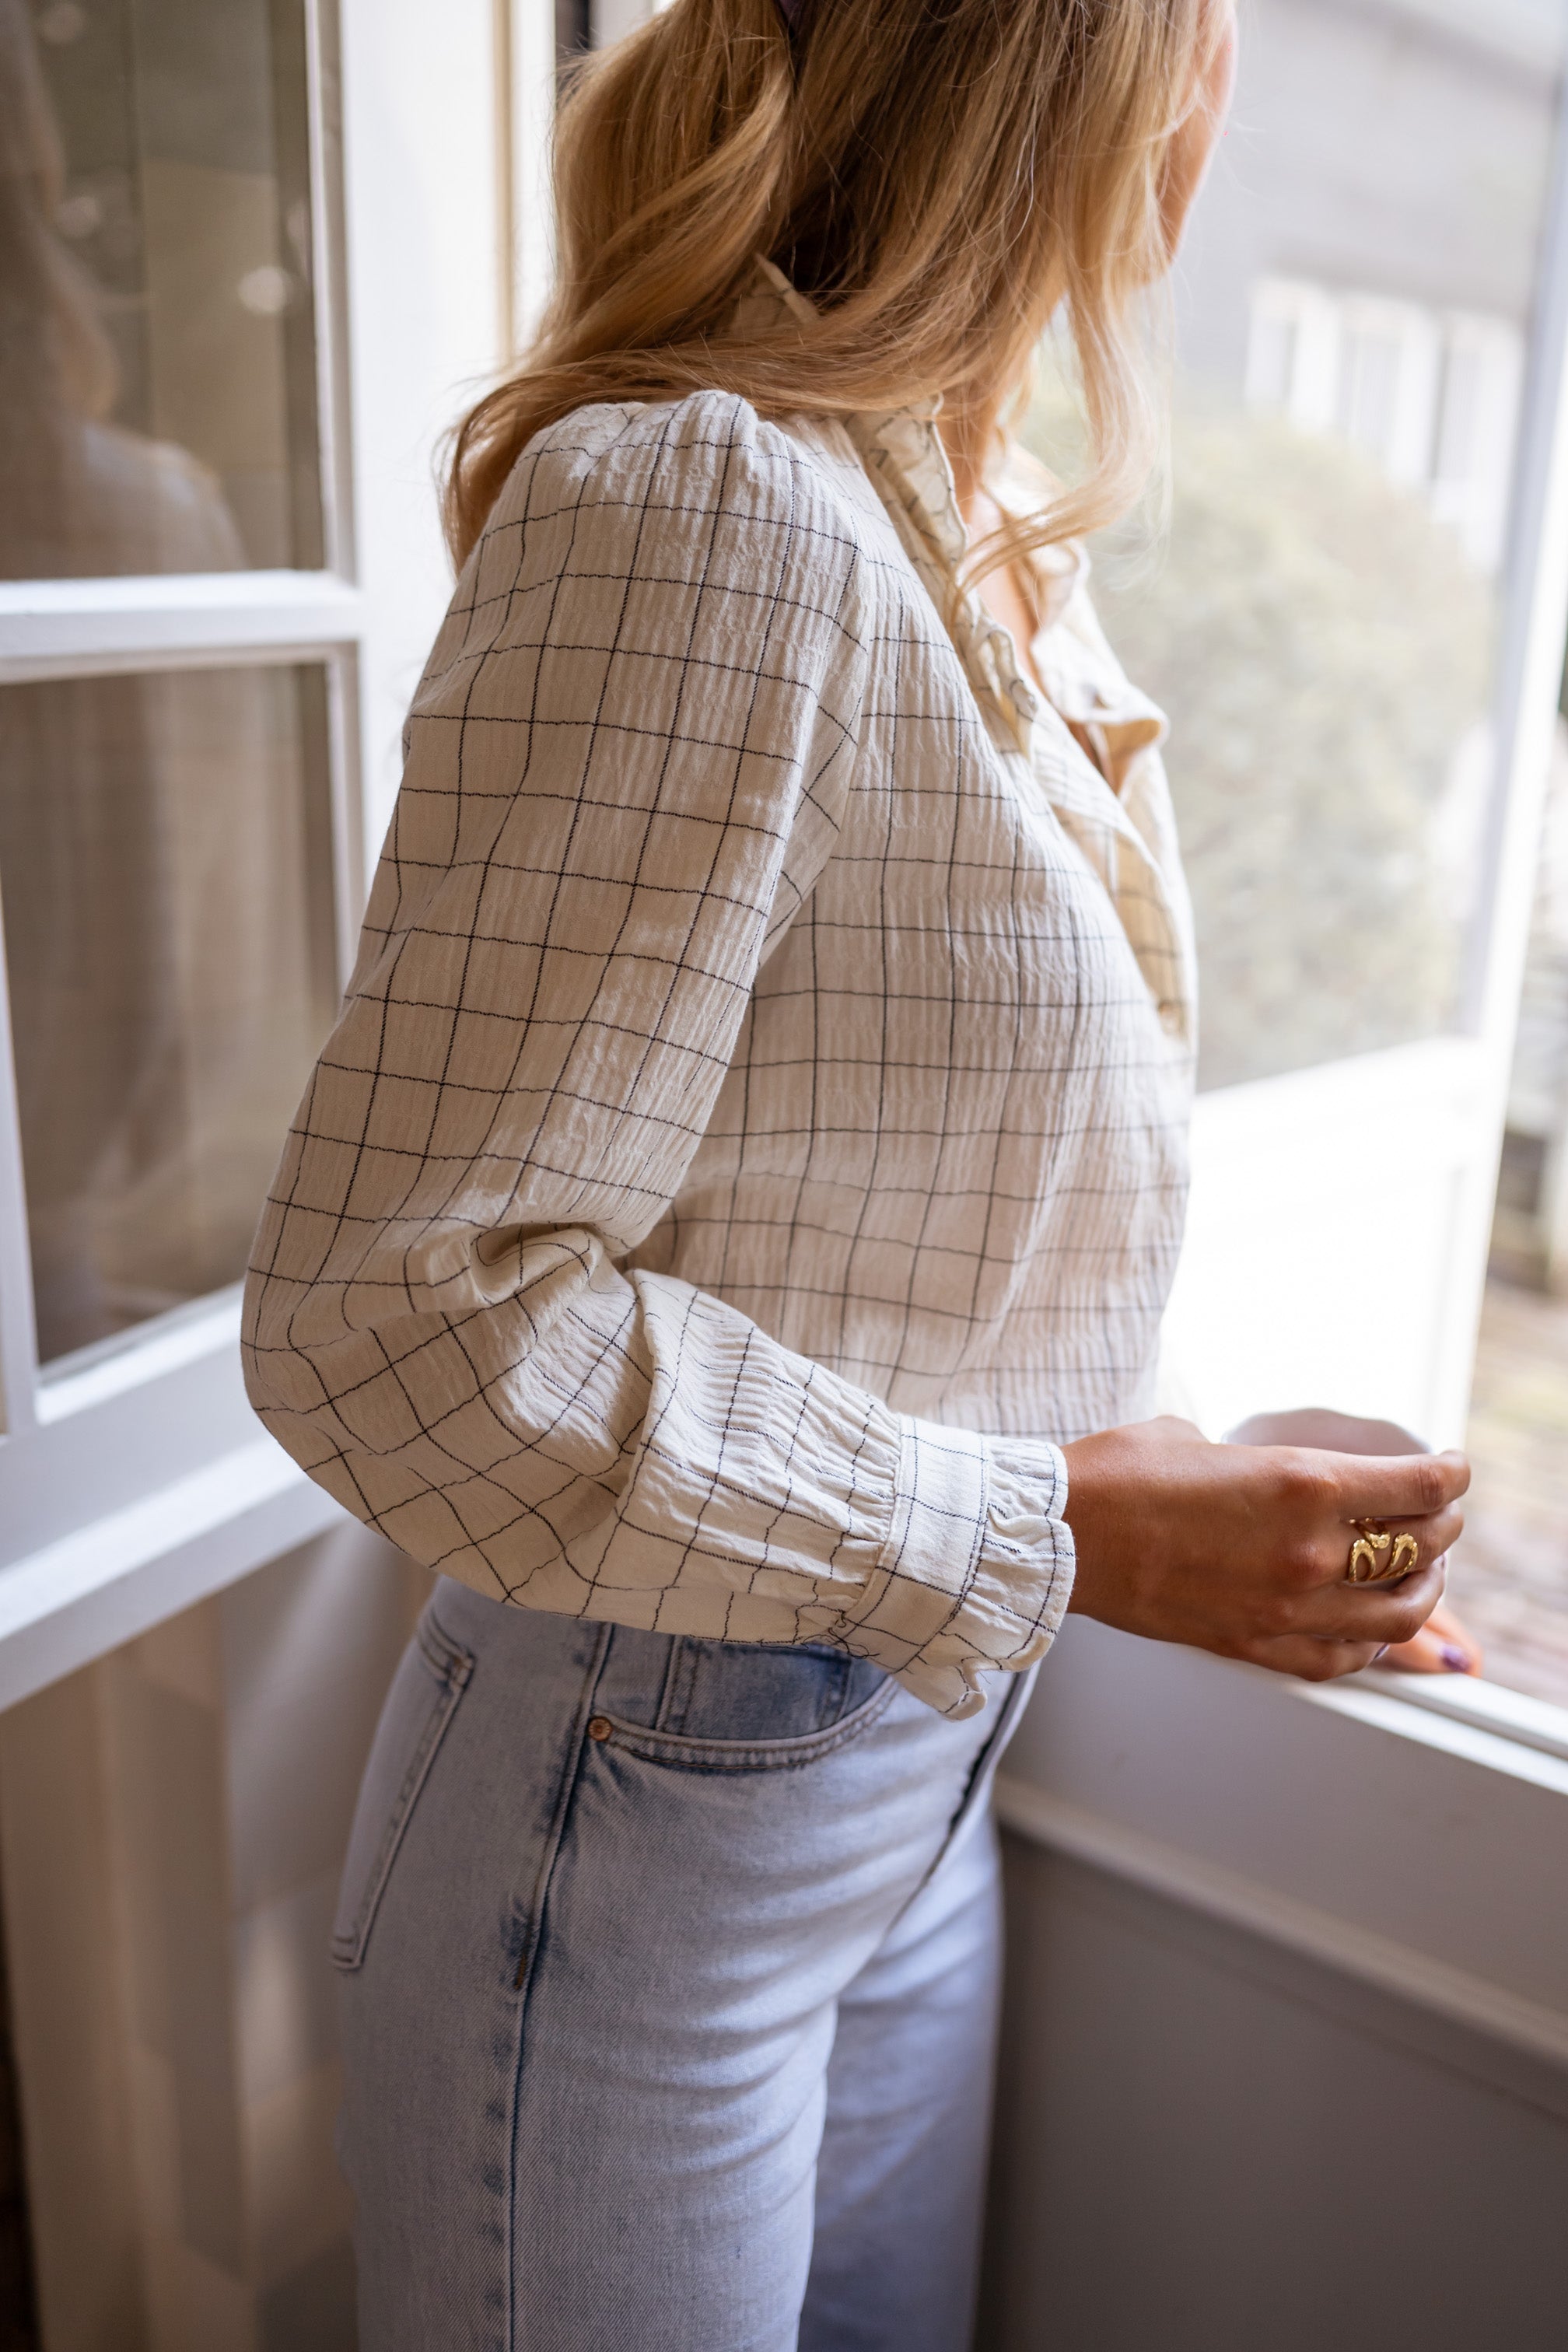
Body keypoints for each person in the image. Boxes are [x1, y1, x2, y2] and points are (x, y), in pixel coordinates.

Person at [241, 0, 1470, 2342]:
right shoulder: (709, 508)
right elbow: (392, 1320)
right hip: (633, 1835)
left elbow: (890, 1187)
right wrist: (1068, 1532)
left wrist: (1175, 1474)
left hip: (902, 1801)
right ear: (1101, 79)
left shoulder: (981, 553)